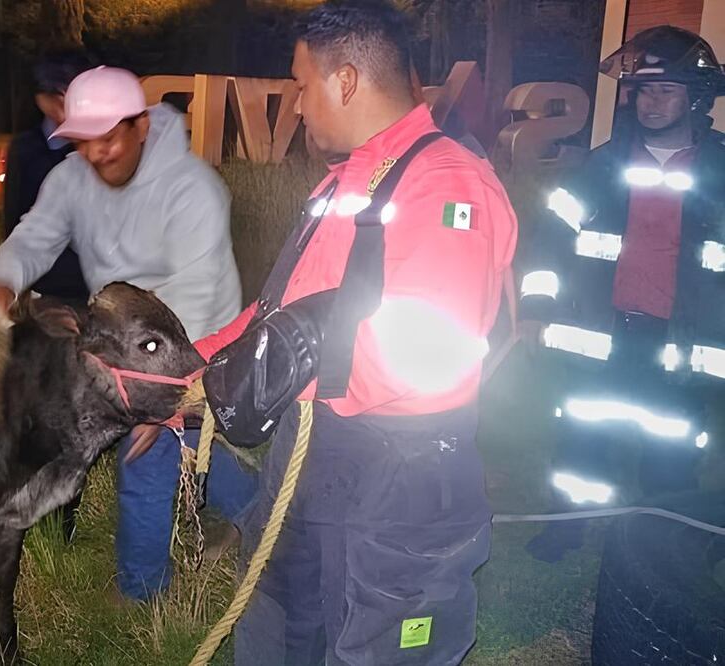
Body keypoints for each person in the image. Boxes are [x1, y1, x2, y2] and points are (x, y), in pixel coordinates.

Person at [179, 2, 519, 662]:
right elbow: (283, 310)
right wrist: (197, 367)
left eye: (302, 87)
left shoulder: (448, 187)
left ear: (346, 81)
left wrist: (274, 370)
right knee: (280, 621)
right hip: (316, 450)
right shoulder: (349, 183)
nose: (299, 108)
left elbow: (426, 355)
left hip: (400, 475)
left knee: (375, 644)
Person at [0, 65, 257, 601]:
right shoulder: (71, 178)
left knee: (144, 448)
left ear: (142, 127)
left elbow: (198, 296)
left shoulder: (194, 189)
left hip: (195, 337)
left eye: (109, 138)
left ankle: (140, 591)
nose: (96, 154)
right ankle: (258, 506)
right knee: (189, 438)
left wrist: (167, 394)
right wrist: (4, 280)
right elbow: (35, 235)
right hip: (121, 332)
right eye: (85, 142)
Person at [521, 26, 725, 563]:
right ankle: (566, 529)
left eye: (665, 90)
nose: (648, 101)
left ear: (696, 96)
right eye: (641, 90)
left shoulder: (722, 171)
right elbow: (550, 238)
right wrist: (536, 308)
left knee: (671, 451)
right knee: (581, 441)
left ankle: (661, 548)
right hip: (602, 334)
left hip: (681, 347)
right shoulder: (602, 165)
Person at [0, 50, 93, 304]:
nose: (65, 105)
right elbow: (15, 220)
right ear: (42, 98)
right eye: (58, 96)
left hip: (101, 285)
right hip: (51, 287)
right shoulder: (26, 149)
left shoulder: (100, 142)